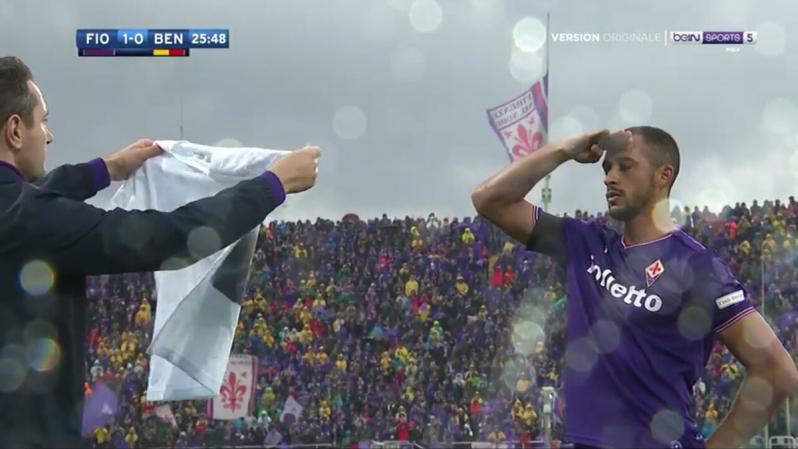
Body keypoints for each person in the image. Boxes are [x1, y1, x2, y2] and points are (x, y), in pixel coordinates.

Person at [0, 56, 320, 448]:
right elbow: (166, 236)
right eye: (43, 121)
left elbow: (27, 201)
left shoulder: (20, 214)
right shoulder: (31, 222)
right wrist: (273, 185)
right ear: (15, 130)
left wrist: (106, 168)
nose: (49, 136)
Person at [472, 126, 798, 448]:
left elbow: (777, 371)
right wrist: (564, 150)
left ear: (663, 176)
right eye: (607, 167)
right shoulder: (585, 244)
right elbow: (490, 200)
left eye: (625, 166)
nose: (610, 177)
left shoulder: (699, 268)